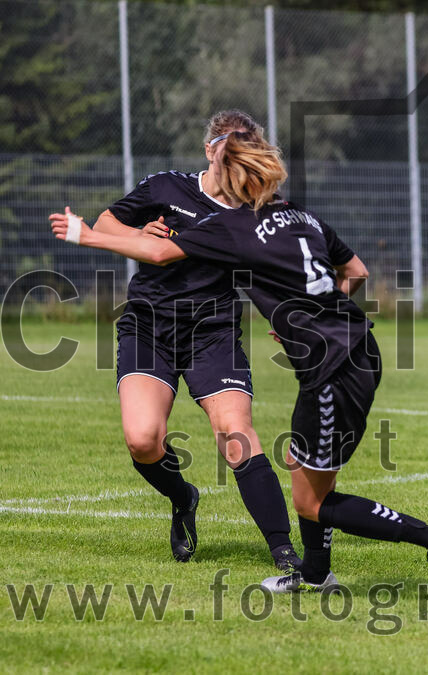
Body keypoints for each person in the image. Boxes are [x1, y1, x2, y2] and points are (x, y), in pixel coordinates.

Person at [50, 129, 428, 594]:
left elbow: (162, 252)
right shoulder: (301, 215)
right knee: (297, 469)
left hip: (324, 364)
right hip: (351, 351)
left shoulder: (235, 225)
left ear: (230, 172)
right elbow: (356, 271)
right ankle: (313, 573)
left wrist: (86, 236)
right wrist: (304, 318)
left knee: (310, 499)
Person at [94, 110, 297, 570]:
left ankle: (285, 553)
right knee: (143, 440)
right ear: (210, 150)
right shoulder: (165, 187)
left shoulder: (257, 211)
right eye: (228, 149)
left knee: (236, 435)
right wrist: (137, 233)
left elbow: (281, 270)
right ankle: (183, 497)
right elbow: (105, 223)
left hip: (212, 332)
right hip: (149, 327)